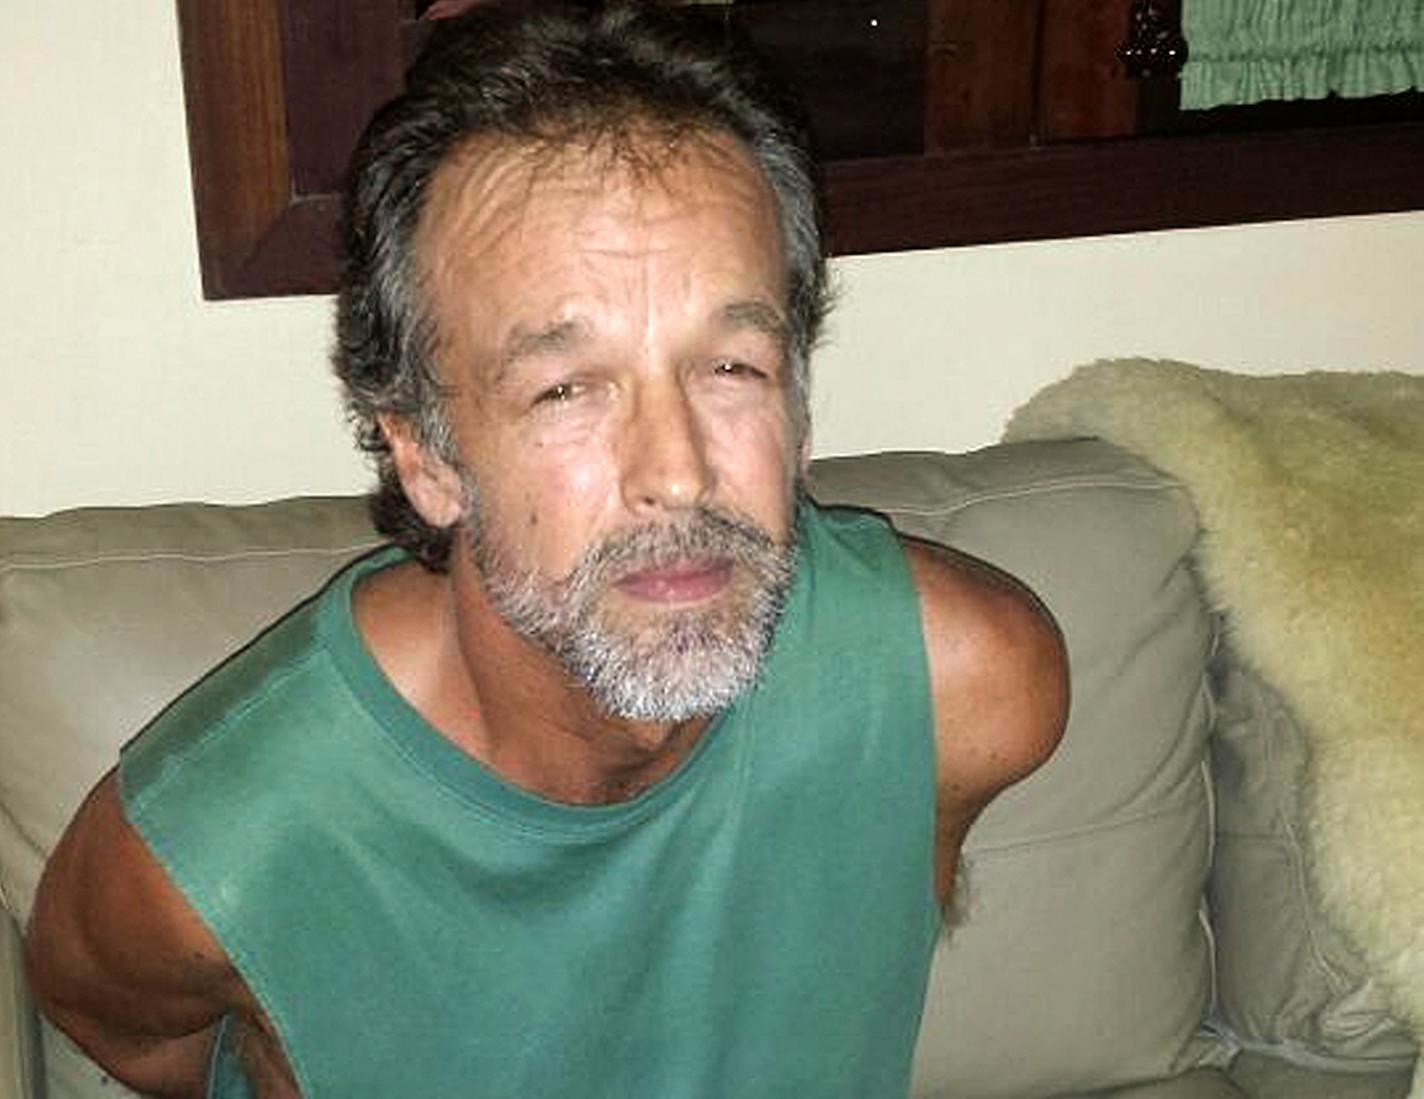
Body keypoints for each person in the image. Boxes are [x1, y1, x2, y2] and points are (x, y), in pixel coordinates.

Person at [24, 5, 1068, 1097]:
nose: (675, 470)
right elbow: (117, 1022)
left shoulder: (966, 685)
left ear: (799, 405)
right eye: (566, 388)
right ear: (426, 453)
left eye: (731, 366)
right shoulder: (211, 852)